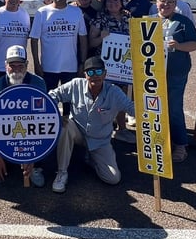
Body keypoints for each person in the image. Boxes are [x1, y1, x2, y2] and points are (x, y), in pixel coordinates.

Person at [48, 56, 135, 193]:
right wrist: (55, 117)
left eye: (99, 72)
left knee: (113, 178)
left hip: (100, 141)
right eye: (91, 72)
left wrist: (152, 109)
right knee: (64, 126)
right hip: (78, 132)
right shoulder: (75, 84)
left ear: (105, 74)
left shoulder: (114, 92)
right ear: (85, 75)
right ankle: (62, 173)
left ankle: (91, 159)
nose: (95, 76)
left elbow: (132, 108)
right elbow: (53, 95)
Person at [153, 0, 196, 162]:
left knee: (173, 108)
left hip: (176, 72)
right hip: (152, 73)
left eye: (170, 2)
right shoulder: (149, 21)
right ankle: (160, 142)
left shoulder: (183, 22)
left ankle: (181, 145)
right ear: (156, 1)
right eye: (162, 1)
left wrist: (179, 46)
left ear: (175, 4)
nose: (165, 5)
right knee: (154, 108)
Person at [0, 45, 47, 187]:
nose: (16, 69)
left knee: (45, 144)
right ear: (5, 65)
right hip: (7, 131)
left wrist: (33, 156)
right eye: (12, 65)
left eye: (20, 65)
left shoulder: (38, 83)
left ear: (27, 65)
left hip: (32, 130)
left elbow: (43, 121)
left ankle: (35, 167)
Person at [88, 0, 135, 144]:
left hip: (124, 65)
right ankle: (102, 130)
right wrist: (101, 37)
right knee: (103, 97)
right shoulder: (100, 18)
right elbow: (91, 42)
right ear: (105, 4)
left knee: (121, 97)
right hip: (105, 66)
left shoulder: (129, 17)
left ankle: (122, 129)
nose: (113, 4)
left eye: (116, 0)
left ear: (121, 2)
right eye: (109, 1)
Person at [29, 0, 88, 92]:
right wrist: (36, 63)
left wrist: (82, 63)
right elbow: (34, 39)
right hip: (48, 67)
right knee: (49, 102)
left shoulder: (76, 12)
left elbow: (83, 38)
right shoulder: (42, 12)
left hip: (71, 67)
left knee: (70, 104)